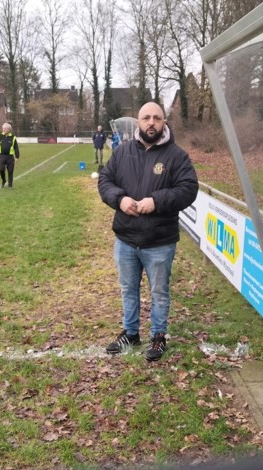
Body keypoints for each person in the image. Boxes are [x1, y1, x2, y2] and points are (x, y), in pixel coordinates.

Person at [98, 102, 198, 362]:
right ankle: (131, 333)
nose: (151, 122)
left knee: (159, 292)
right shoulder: (123, 153)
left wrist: (156, 200)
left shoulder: (177, 156)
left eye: (157, 118)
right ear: (138, 122)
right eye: (146, 118)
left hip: (159, 241)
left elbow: (188, 189)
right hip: (126, 238)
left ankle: (159, 336)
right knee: (128, 289)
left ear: (164, 121)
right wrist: (119, 199)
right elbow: (105, 181)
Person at [0, 123, 20, 188]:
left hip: (10, 157)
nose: (3, 129)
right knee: (1, 170)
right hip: (2, 156)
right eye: (3, 128)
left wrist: (17, 156)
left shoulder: (13, 137)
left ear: (9, 129)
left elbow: (16, 147)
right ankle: (3, 180)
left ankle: (10, 185)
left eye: (5, 128)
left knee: (10, 171)